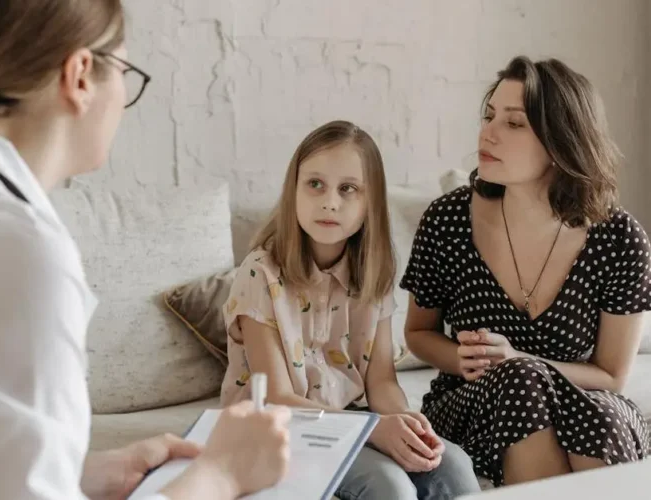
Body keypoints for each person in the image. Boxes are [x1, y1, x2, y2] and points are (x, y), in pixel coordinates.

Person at [0, 1, 292, 499]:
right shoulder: (16, 252)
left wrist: (80, 472)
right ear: (81, 74)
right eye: (125, 70)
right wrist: (222, 475)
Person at [401, 55, 651, 487]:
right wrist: (466, 360)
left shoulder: (619, 238)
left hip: (584, 402)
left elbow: (611, 376)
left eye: (514, 124)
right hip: (472, 402)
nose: (488, 132)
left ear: (561, 141)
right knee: (520, 380)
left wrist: (520, 357)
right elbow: (418, 334)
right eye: (489, 115)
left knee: (604, 415)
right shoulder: (447, 220)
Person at [220, 120, 481, 499]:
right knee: (388, 486)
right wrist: (373, 430)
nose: (330, 201)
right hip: (277, 428)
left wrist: (403, 422)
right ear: (293, 191)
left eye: (348, 189)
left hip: (351, 420)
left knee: (453, 464)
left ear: (369, 202)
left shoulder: (375, 272)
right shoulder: (260, 273)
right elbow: (276, 398)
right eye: (315, 185)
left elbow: (381, 382)